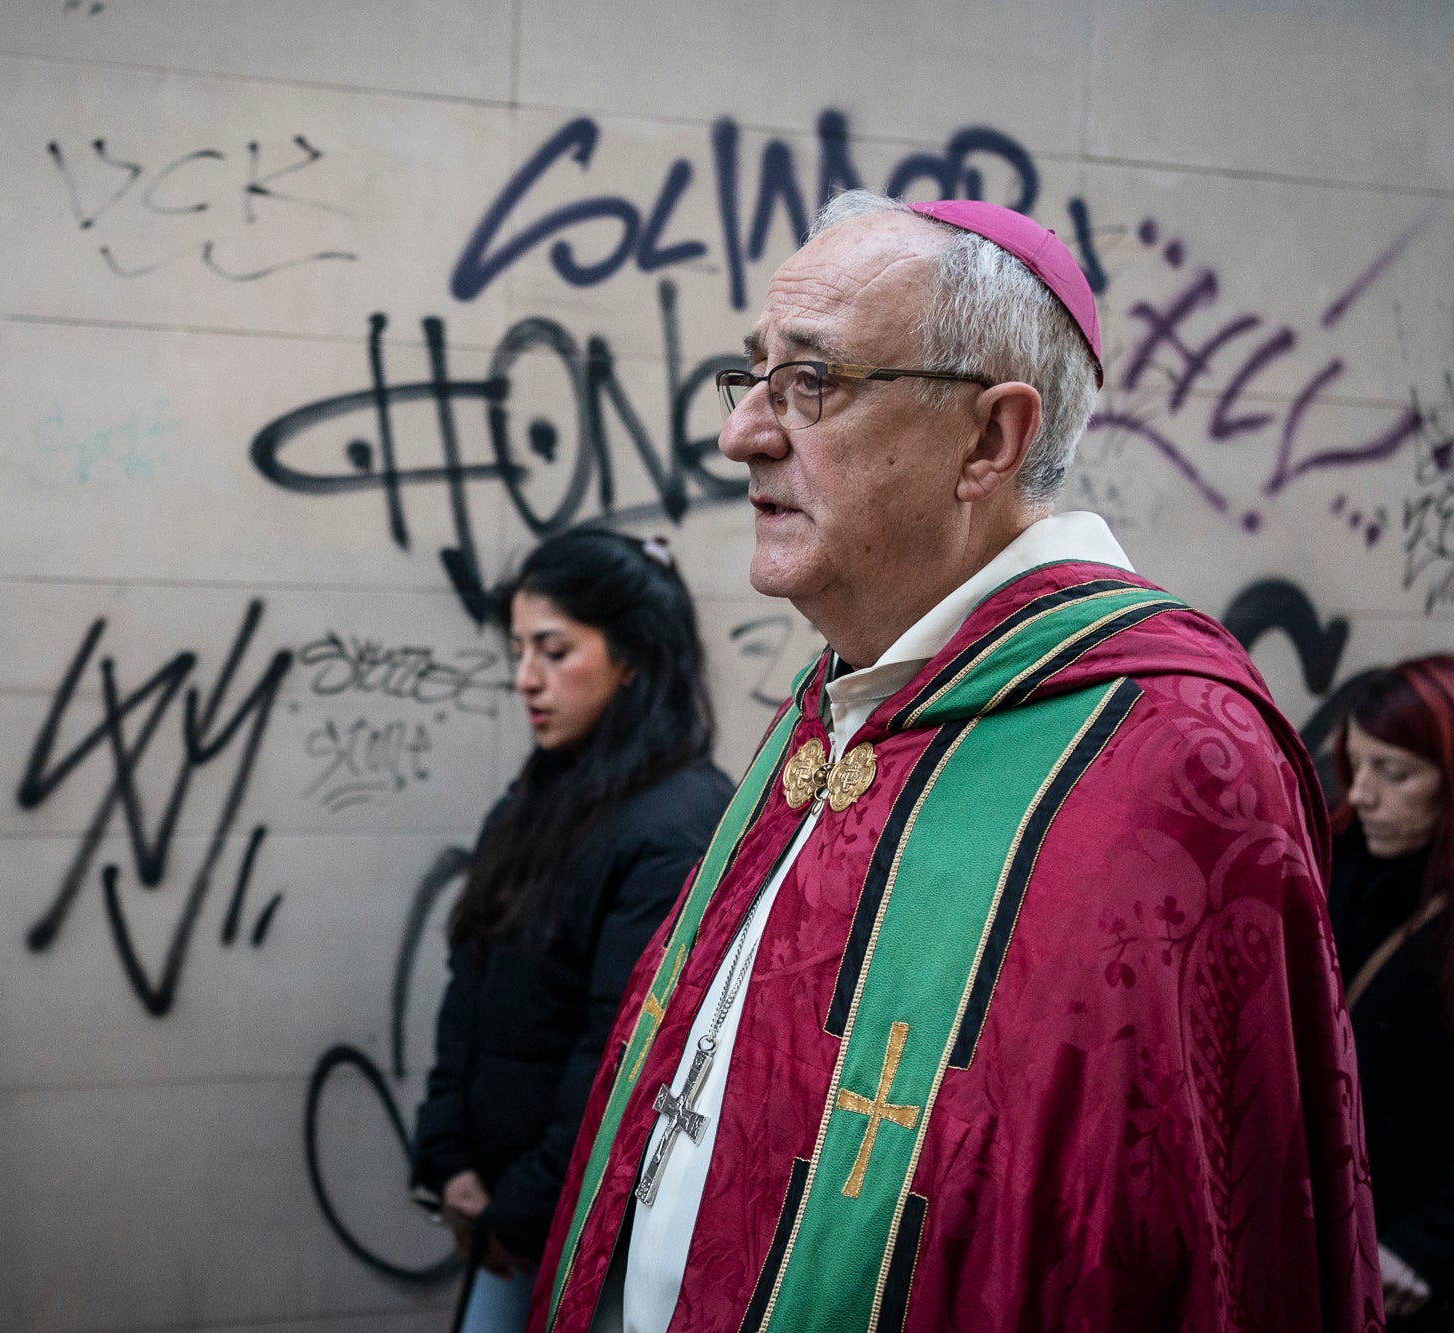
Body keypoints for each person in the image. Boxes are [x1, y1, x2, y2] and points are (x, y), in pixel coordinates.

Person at [530, 193, 1381, 1333]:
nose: (743, 434)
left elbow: (1191, 1231)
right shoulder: (841, 700)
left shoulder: (1173, 753)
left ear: (988, 441)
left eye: (812, 382)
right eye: (754, 376)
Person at [413, 530, 734, 1333]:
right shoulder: (539, 796)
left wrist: (519, 1210)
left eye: (554, 651)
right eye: (519, 649)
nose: (526, 677)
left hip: (583, 1234)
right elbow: (469, 990)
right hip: (504, 1219)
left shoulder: (676, 824)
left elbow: (620, 1057)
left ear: (633, 656)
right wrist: (449, 1155)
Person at [1331, 657, 1454, 1329]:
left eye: (1395, 773)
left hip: (1412, 1270)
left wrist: (1430, 1244)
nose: (1364, 795)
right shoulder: (1340, 861)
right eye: (1357, 766)